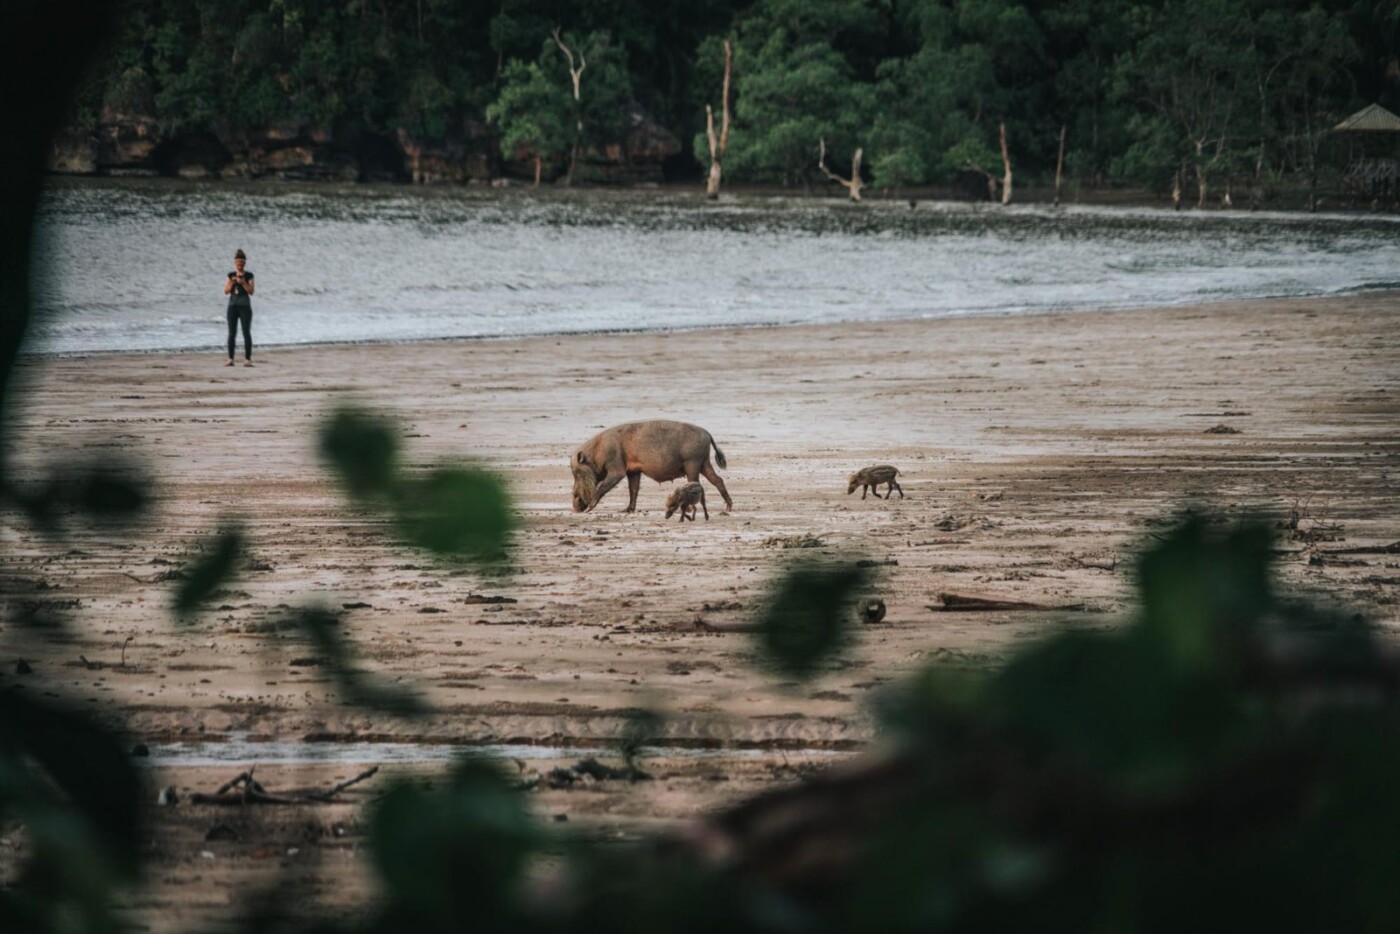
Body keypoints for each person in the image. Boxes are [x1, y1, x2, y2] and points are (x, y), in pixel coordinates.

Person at [223, 249, 255, 366]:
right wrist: (233, 281)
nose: (240, 265)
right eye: (238, 263)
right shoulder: (231, 275)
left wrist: (243, 282)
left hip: (245, 306)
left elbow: (251, 291)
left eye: (241, 263)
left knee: (246, 332)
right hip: (232, 306)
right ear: (235, 263)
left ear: (244, 264)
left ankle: (248, 359)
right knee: (232, 333)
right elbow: (226, 291)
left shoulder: (249, 275)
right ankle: (230, 358)